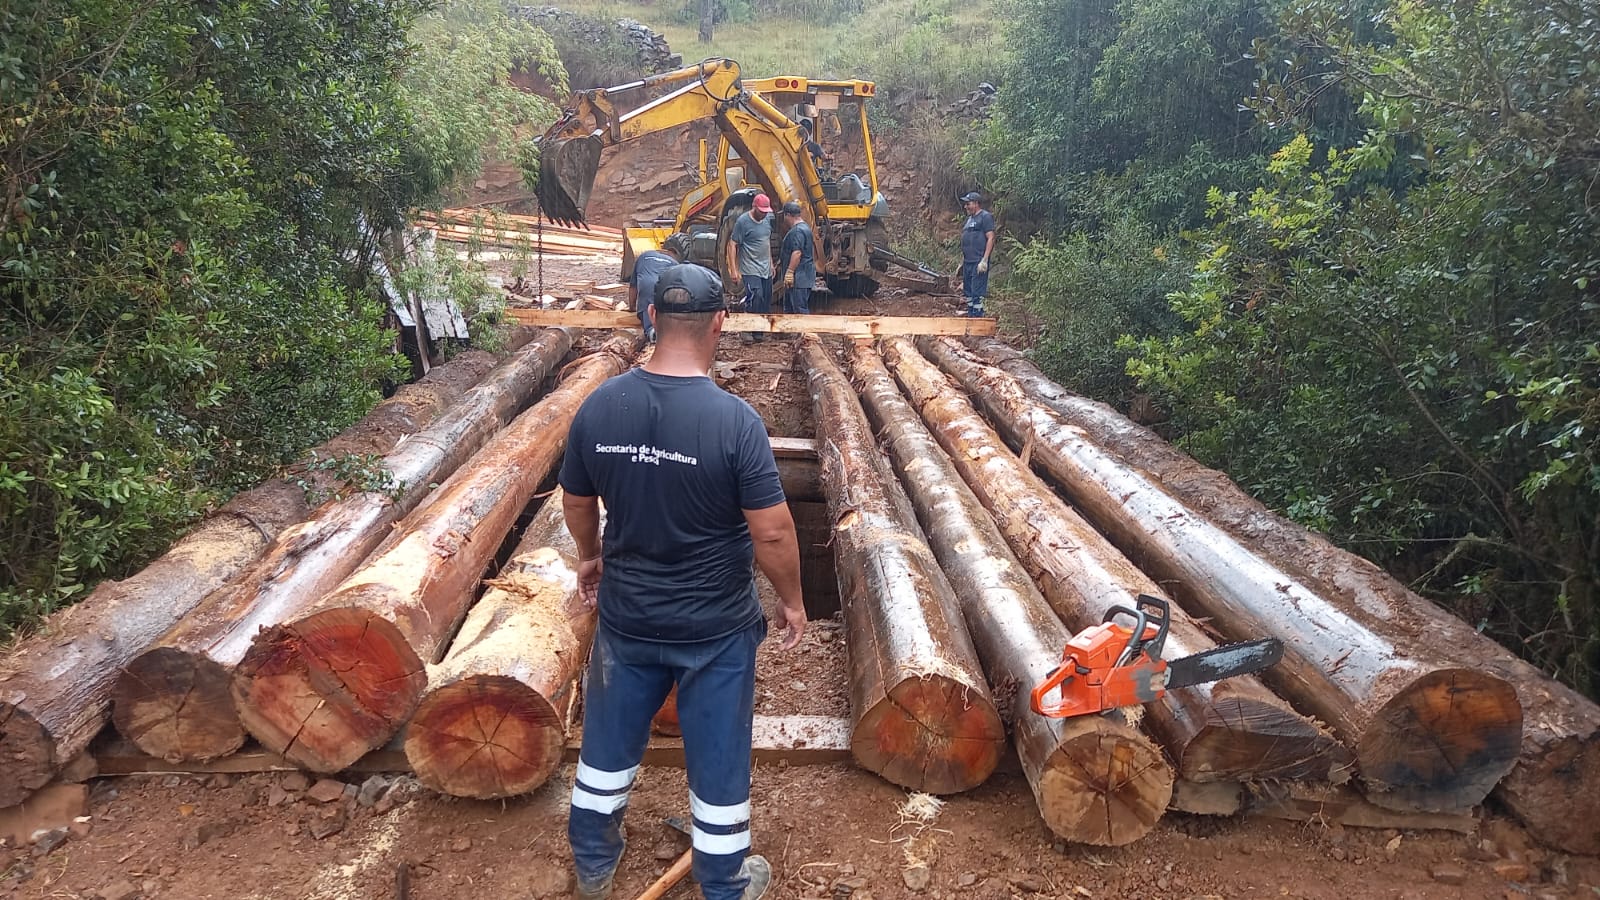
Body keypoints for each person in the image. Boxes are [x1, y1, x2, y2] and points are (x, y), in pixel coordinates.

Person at [560, 262, 806, 900]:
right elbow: (773, 533)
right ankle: (724, 882)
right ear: (719, 322)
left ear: (649, 316)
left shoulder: (599, 407)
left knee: (608, 743)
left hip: (627, 617)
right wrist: (791, 601)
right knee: (719, 757)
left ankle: (593, 861)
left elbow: (578, 501)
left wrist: (590, 556)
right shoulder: (734, 423)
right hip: (714, 628)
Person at [726, 193, 774, 340]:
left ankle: (758, 332)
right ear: (754, 207)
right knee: (755, 296)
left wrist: (771, 262)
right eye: (762, 211)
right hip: (750, 267)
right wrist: (734, 270)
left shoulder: (767, 221)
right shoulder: (743, 221)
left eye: (766, 212)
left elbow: (767, 242)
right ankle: (746, 328)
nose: (764, 214)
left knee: (765, 299)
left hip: (765, 267)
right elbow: (732, 245)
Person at [628, 232, 689, 342]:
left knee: (646, 309)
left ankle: (651, 333)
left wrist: (632, 307)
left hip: (647, 285)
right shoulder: (675, 263)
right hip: (666, 287)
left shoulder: (644, 256)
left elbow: (633, 287)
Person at [959, 191, 996, 318]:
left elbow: (991, 238)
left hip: (978, 261)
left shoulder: (985, 217)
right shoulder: (969, 219)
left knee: (977, 291)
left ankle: (978, 316)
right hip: (967, 261)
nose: (966, 207)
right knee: (968, 291)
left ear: (976, 203)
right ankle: (971, 314)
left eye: (968, 204)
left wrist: (984, 260)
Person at [776, 200, 814, 315]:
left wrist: (790, 271)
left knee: (799, 309)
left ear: (788, 215)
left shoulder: (797, 231)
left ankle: (804, 332)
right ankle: (793, 332)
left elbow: (797, 253)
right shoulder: (805, 228)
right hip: (803, 276)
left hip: (799, 277)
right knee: (790, 308)